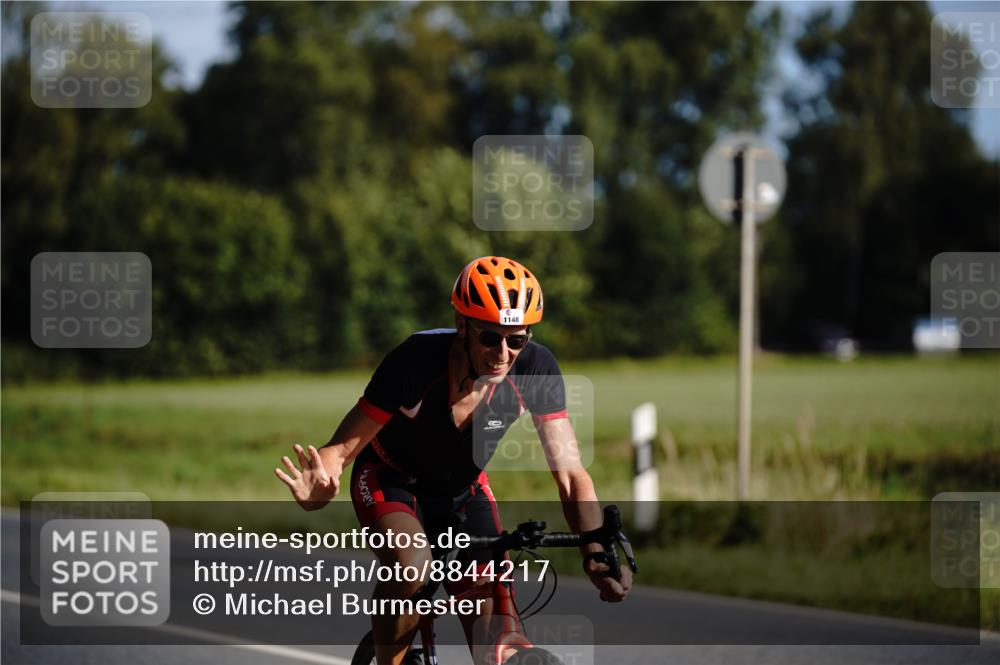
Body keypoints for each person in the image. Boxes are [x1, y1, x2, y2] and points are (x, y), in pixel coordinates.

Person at [276, 256, 631, 665]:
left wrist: (596, 553)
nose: (503, 353)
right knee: (412, 567)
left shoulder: (536, 368)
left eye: (517, 339)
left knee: (500, 636)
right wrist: (320, 485)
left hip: (463, 492)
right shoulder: (415, 361)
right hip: (391, 479)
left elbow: (571, 476)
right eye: (489, 338)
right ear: (462, 326)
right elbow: (339, 450)